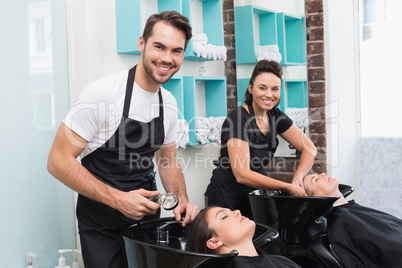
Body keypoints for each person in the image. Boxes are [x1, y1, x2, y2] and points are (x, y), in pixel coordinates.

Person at [47, 11, 199, 268]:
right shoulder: (101, 95)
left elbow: (167, 162)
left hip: (149, 223)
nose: (166, 58)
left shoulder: (169, 104)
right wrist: (119, 200)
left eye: (176, 51)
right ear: (141, 43)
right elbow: (57, 161)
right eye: (159, 47)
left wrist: (181, 199)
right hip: (101, 226)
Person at [204, 60, 317, 218]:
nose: (269, 94)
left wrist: (298, 177)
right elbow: (242, 174)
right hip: (226, 194)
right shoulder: (237, 119)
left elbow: (309, 148)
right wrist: (286, 187)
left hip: (254, 193)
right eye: (262, 88)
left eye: (275, 89)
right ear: (250, 88)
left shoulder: (276, 116)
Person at [303, 173, 402, 267]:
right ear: (314, 197)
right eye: (315, 180)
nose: (323, 174)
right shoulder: (340, 223)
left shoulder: (352, 211)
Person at [187, 206, 301, 268]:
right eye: (224, 216)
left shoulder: (281, 260)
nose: (237, 211)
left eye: (231, 211)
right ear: (214, 242)